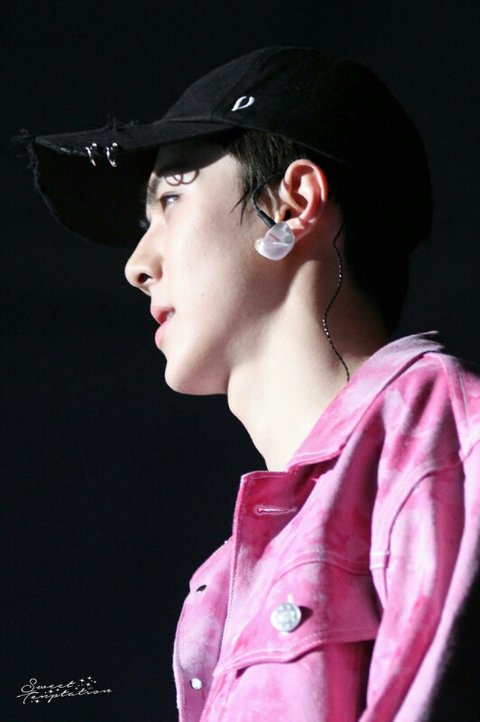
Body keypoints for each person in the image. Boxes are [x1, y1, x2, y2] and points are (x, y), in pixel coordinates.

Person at [29, 47, 480, 721]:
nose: (136, 266)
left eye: (171, 199)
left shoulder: (440, 444)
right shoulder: (224, 578)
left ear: (293, 203)